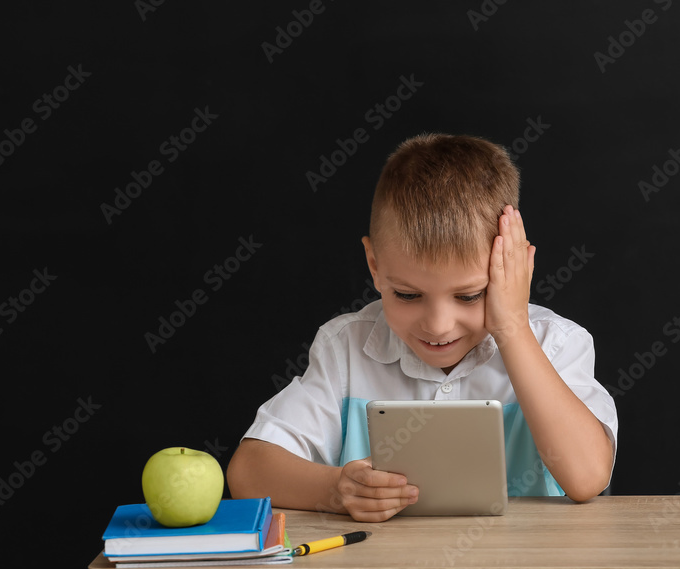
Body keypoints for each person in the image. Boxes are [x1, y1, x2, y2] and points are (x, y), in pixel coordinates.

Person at [227, 133, 617, 522]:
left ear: (512, 270)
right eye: (408, 295)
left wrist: (512, 326)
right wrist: (336, 489)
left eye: (468, 296)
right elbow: (248, 473)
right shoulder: (345, 347)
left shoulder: (557, 343)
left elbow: (587, 479)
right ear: (375, 266)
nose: (437, 325)